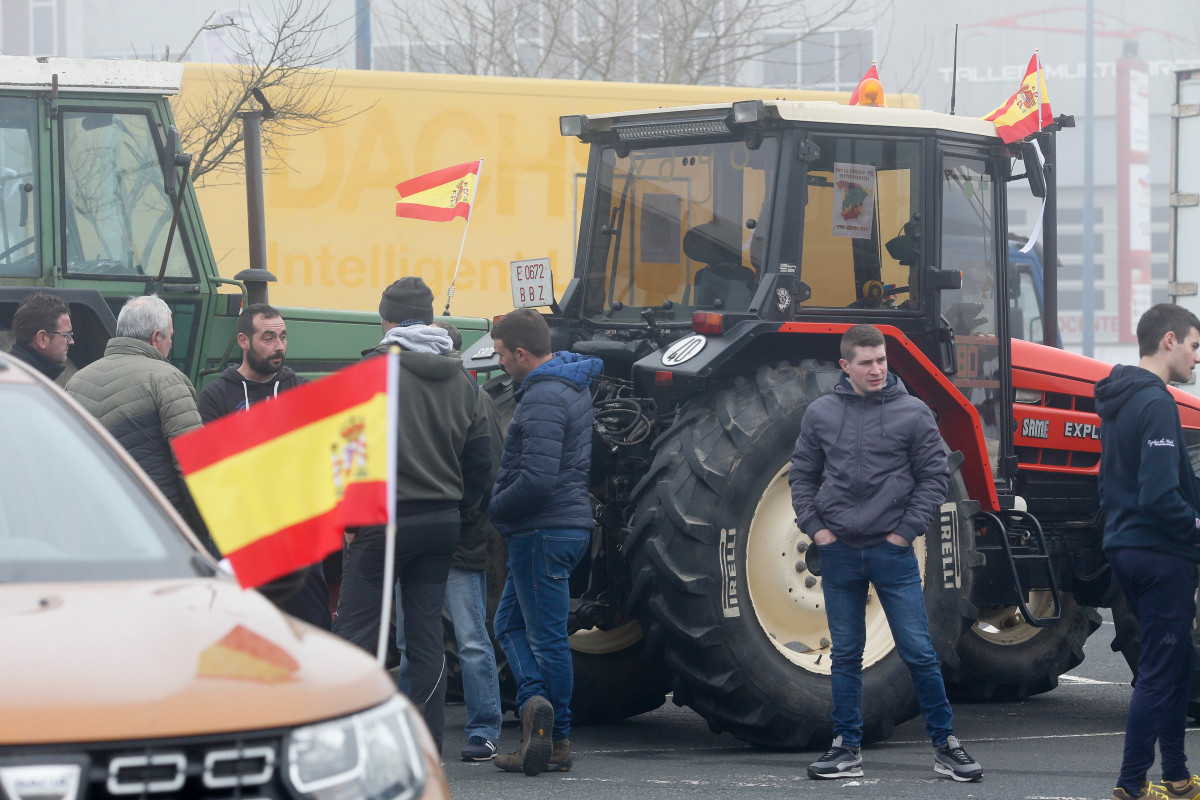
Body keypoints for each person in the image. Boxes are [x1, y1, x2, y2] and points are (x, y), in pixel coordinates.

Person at [788, 323, 982, 783]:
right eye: (866, 362)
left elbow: (935, 479)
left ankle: (946, 745)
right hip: (837, 554)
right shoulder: (820, 413)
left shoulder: (913, 413)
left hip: (891, 554)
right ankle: (845, 746)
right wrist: (817, 531)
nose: (877, 370)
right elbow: (801, 477)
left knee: (918, 651)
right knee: (847, 655)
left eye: (881, 361)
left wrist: (904, 534)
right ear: (845, 366)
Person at [331, 276, 492, 753]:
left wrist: (349, 519)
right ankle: (424, 748)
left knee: (355, 636)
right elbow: (481, 461)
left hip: (383, 524)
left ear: (388, 319)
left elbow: (345, 455)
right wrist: (460, 511)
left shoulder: (371, 373)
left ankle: (348, 745)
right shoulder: (463, 380)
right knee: (424, 641)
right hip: (440, 525)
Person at [488, 308, 602, 777]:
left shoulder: (542, 397)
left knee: (545, 636)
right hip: (564, 526)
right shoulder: (571, 387)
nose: (499, 365)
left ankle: (553, 737)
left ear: (520, 352)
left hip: (540, 529)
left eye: (500, 356)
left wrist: (495, 508)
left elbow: (535, 479)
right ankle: (538, 706)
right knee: (509, 624)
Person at [1096, 303, 1200, 800]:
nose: (1197, 358)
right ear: (1169, 341)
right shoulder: (1156, 401)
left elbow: (1115, 480)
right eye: (1195, 346)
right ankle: (1132, 782)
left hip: (1125, 547)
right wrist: (1196, 525)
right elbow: (1160, 494)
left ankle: (1176, 777)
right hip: (1161, 552)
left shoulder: (1118, 398)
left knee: (1174, 664)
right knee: (1159, 672)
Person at [393, 320, 505, 763]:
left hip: (447, 532)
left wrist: (456, 513)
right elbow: (484, 469)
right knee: (447, 637)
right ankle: (466, 728)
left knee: (454, 637)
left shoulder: (466, 398)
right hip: (454, 531)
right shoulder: (470, 396)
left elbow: (485, 470)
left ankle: (477, 726)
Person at [195, 303, 333, 632]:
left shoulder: (301, 389)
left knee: (312, 638)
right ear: (244, 341)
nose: (279, 345)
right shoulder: (217, 396)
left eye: (283, 337)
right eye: (268, 337)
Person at [65, 295, 202, 519]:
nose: (170, 344)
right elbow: (192, 463)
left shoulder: (76, 383)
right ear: (156, 337)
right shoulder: (168, 380)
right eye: (171, 338)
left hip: (91, 521)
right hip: (154, 523)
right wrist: (201, 528)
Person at [10, 293, 72, 381]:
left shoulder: (12, 375)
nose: (71, 341)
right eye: (66, 335)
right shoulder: (23, 384)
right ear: (42, 339)